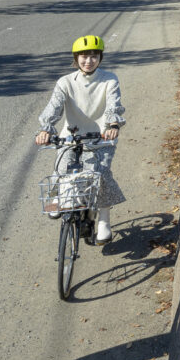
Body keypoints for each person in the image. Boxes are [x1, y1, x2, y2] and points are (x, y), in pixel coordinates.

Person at [34, 34, 126, 242]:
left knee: (99, 173)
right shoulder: (65, 82)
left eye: (94, 56)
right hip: (71, 137)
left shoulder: (109, 79)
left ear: (100, 58)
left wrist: (113, 124)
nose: (88, 61)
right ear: (76, 59)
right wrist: (46, 129)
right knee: (61, 169)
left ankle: (104, 218)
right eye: (83, 56)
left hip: (101, 137)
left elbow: (114, 104)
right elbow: (54, 107)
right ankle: (58, 196)